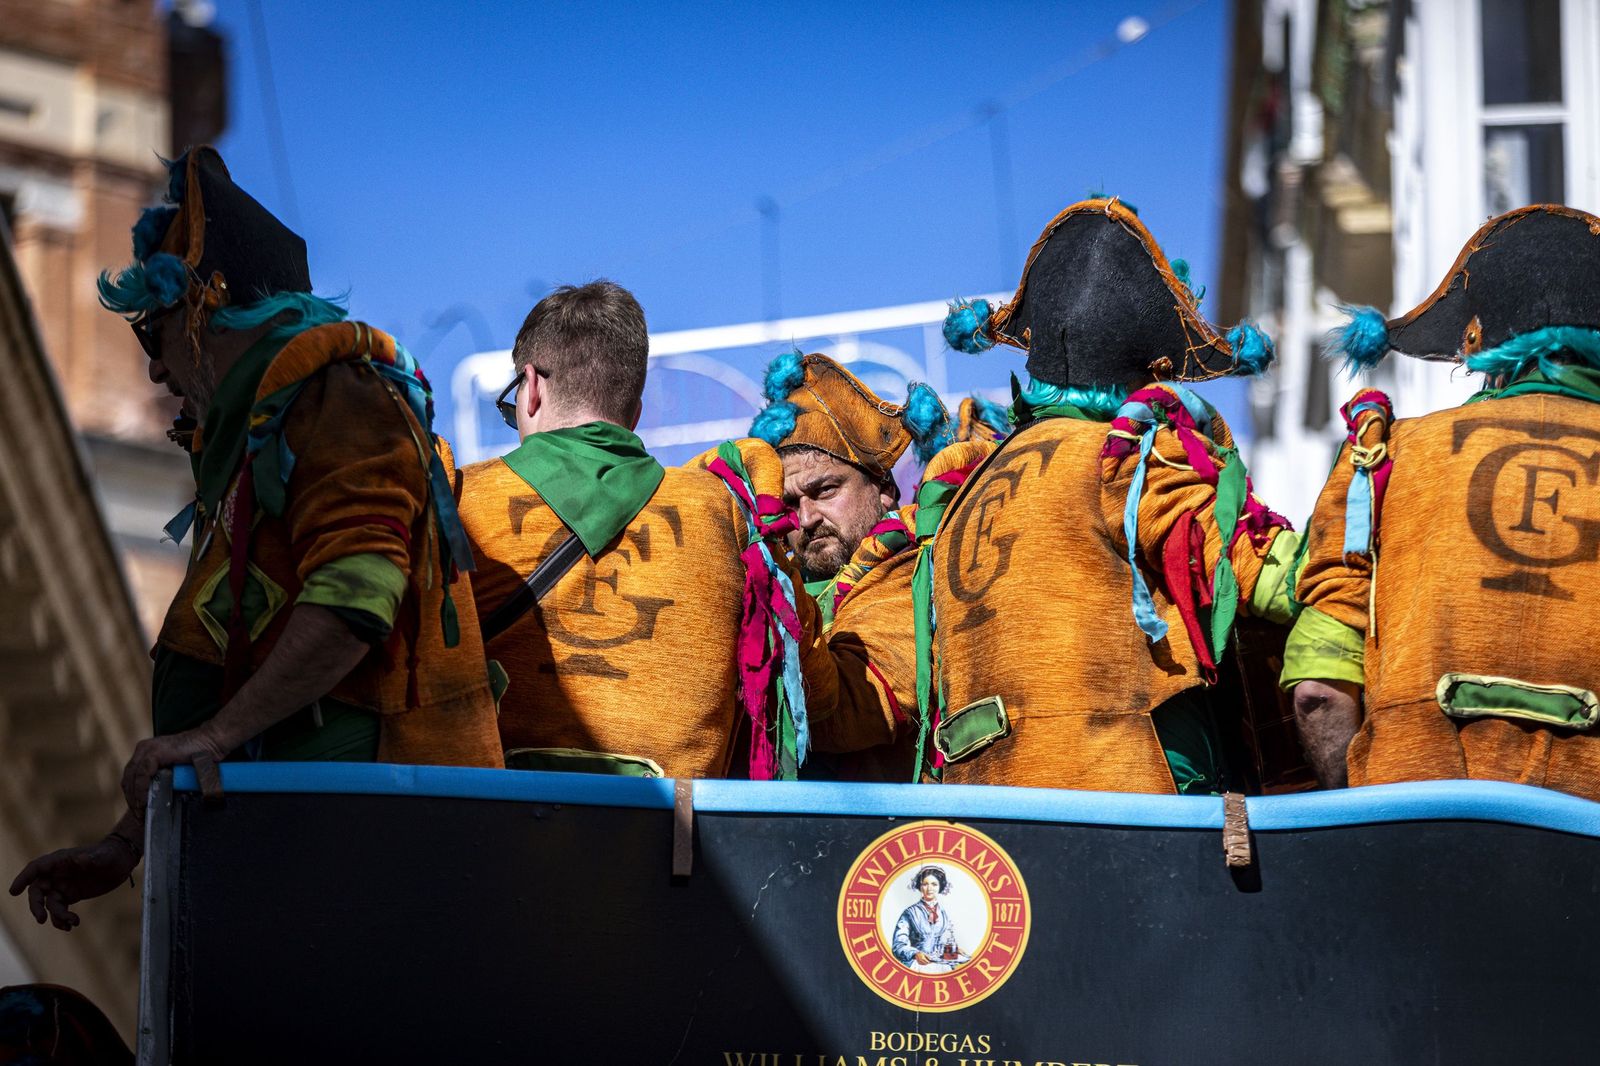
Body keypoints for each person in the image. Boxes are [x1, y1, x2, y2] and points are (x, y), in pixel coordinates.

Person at [10, 146, 503, 932]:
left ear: (205, 313)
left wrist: (214, 737)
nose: (155, 373)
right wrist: (127, 842)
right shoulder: (257, 444)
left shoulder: (338, 396)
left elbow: (356, 595)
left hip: (345, 855)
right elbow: (226, 673)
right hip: (278, 844)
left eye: (153, 334)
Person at [931, 196, 1300, 793]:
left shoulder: (966, 487)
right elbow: (1261, 575)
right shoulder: (1125, 456)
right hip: (1132, 805)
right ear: (1148, 370)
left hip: (987, 816)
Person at [454, 283, 839, 780]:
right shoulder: (727, 512)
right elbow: (818, 695)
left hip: (487, 839)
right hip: (670, 847)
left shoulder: (459, 501)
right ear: (634, 412)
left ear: (530, 388)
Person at [1285, 204, 1600, 801]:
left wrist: (1354, 816)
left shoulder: (1385, 455)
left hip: (1410, 830)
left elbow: (1318, 690)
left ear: (1477, 340)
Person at [748, 352, 993, 780]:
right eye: (788, 504)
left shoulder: (914, 576)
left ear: (884, 488)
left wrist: (777, 593)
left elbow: (850, 711)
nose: (805, 519)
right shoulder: (771, 581)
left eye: (824, 490)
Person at [891, 866, 964, 973]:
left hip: (941, 966)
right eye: (925, 884)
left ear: (940, 887)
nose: (929, 888)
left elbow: (943, 941)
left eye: (934, 884)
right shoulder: (910, 913)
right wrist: (915, 954)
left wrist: (953, 950)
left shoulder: (943, 914)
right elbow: (898, 945)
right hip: (917, 965)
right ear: (920, 887)